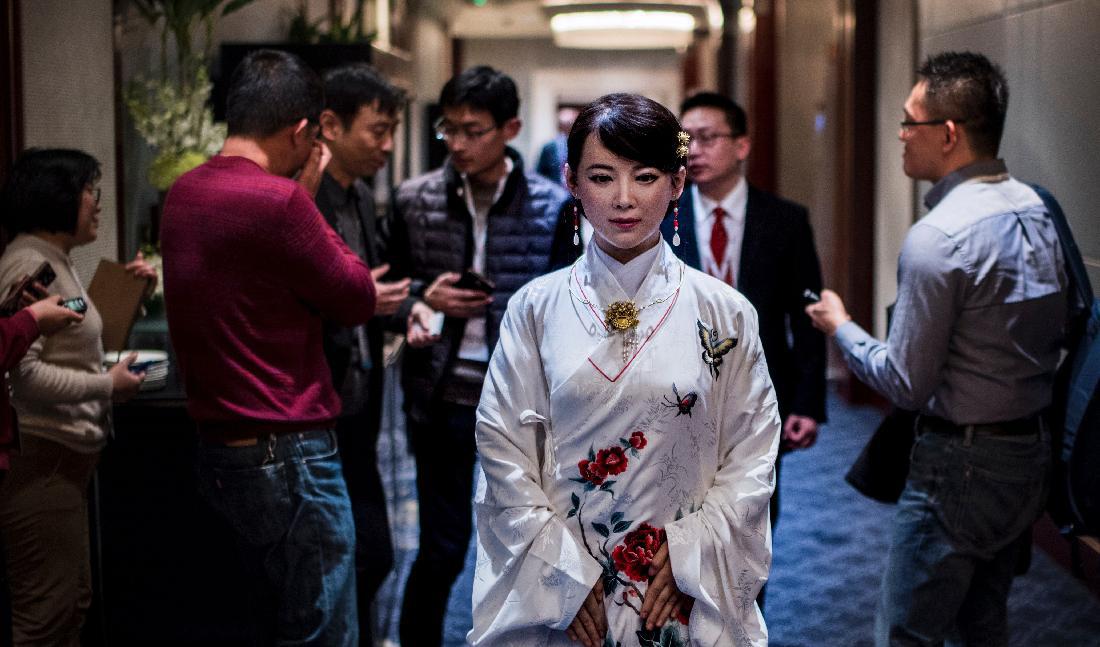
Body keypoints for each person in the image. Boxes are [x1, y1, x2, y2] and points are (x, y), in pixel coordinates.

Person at [469, 93, 780, 647]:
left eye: (645, 176)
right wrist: (563, 571)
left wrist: (690, 557)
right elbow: (503, 446)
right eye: (601, 176)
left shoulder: (725, 312)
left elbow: (752, 450)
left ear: (678, 183)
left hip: (676, 583)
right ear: (570, 181)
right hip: (562, 579)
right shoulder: (534, 309)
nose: (623, 199)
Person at [806, 51, 1066, 646]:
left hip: (960, 463)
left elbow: (906, 383)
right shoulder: (1037, 207)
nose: (899, 135)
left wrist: (841, 326)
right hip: (1029, 449)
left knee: (906, 634)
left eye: (908, 122)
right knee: (984, 624)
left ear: (948, 134)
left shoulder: (939, 237)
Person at [161, 49, 376, 645]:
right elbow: (356, 295)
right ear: (302, 131)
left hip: (219, 450)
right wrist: (306, 198)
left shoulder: (182, 194)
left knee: (254, 623)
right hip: (290, 452)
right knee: (321, 629)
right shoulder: (280, 202)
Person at [388, 65, 575, 646]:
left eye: (475, 131)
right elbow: (386, 288)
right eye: (450, 130)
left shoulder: (552, 205)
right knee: (441, 545)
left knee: (531, 542)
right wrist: (421, 300)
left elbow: (570, 302)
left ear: (511, 128)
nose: (460, 145)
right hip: (440, 393)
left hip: (522, 403)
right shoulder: (413, 199)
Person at [0, 148, 152, 646]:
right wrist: (108, 386)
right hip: (41, 463)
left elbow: (73, 337)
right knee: (47, 614)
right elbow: (26, 375)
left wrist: (128, 292)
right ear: (57, 197)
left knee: (70, 604)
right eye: (90, 189)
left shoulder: (51, 261)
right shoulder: (27, 262)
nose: (97, 202)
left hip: (62, 465)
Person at [661, 92, 826, 529]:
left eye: (707, 137)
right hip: (677, 391)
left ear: (741, 146)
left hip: (760, 390)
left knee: (753, 519)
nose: (693, 151)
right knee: (678, 516)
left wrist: (808, 403)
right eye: (684, 140)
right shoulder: (661, 218)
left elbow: (806, 315)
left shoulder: (785, 220)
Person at [315, 62, 433, 645]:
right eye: (378, 131)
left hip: (357, 404)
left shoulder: (360, 196)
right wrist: (370, 299)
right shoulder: (303, 201)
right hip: (321, 407)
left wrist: (404, 306)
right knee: (354, 558)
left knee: (371, 556)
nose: (389, 146)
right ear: (329, 126)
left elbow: (373, 287)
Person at [536, 104, 581, 185]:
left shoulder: (585, 144)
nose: (568, 128)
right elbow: (540, 173)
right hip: (555, 192)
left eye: (570, 124)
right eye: (564, 125)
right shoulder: (550, 147)